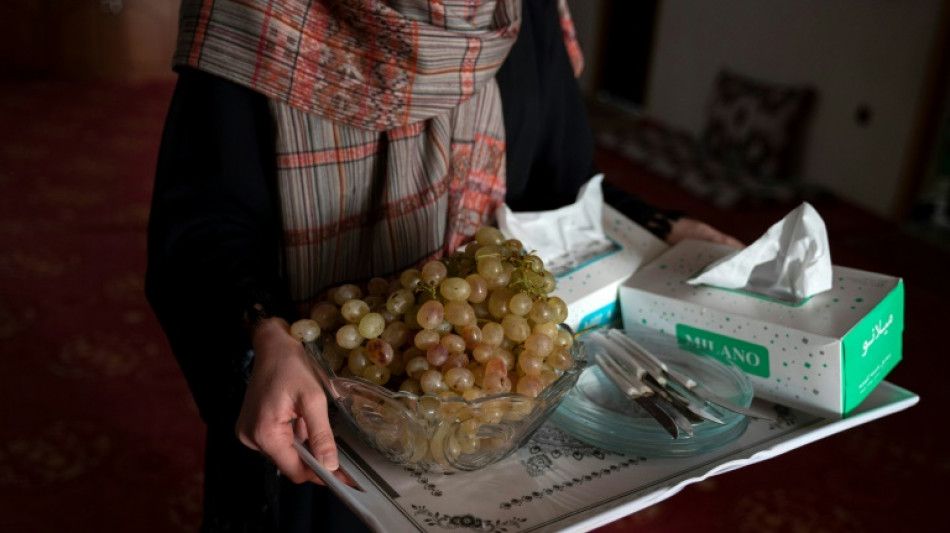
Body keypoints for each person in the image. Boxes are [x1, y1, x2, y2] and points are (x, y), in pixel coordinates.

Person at [146, 0, 741, 531]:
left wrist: (660, 224)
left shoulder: (517, 9)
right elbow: (201, 218)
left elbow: (556, 183)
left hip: (484, 406)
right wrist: (266, 334)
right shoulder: (252, 8)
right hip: (316, 403)